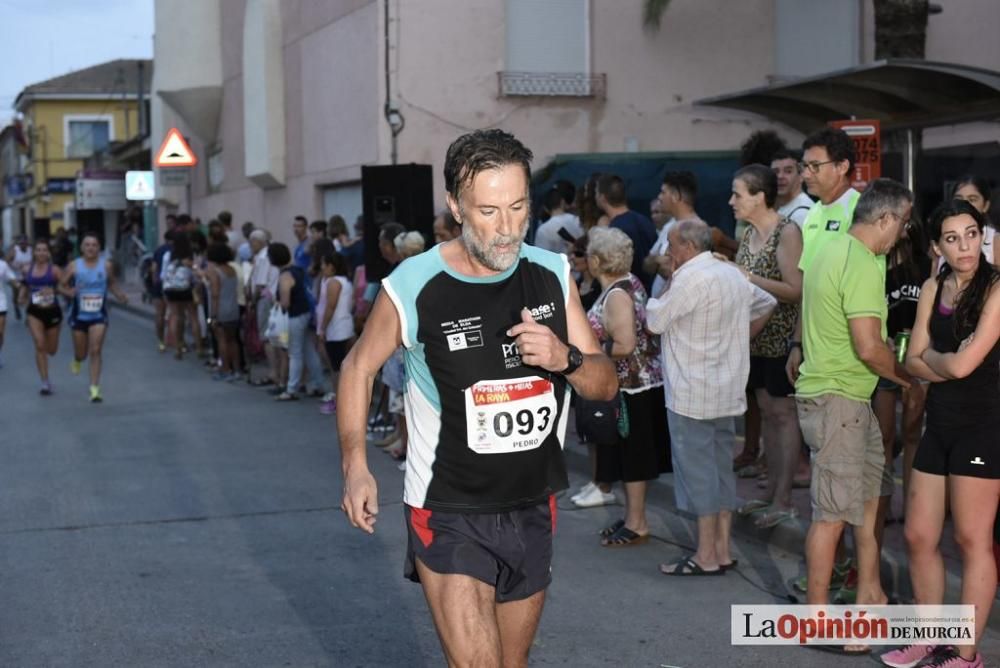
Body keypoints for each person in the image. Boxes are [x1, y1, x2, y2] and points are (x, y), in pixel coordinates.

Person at [338, 129, 617, 668]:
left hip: (532, 503)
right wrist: (355, 464)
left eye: (518, 207)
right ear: (455, 207)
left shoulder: (553, 274)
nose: (508, 228)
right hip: (447, 509)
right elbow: (357, 366)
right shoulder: (413, 284)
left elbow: (605, 384)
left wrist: (566, 359)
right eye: (489, 211)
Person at [789, 179, 913, 651]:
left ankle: (871, 593)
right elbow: (869, 347)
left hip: (842, 399)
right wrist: (907, 379)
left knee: (866, 507)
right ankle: (817, 619)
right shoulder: (862, 261)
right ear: (884, 219)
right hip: (839, 397)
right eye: (902, 223)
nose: (902, 233)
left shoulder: (830, 247)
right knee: (833, 516)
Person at [883, 200, 1000, 668]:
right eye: (952, 238)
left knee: (972, 540)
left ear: (983, 234)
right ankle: (931, 639)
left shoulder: (996, 288)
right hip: (940, 422)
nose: (964, 245)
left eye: (970, 233)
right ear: (937, 246)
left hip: (984, 427)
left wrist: (934, 360)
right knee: (917, 535)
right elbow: (913, 360)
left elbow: (964, 364)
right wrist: (938, 361)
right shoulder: (934, 285)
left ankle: (965, 654)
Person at [647, 220, 777, 576]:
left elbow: (655, 321)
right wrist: (739, 335)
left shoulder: (689, 277)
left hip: (692, 391)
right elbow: (767, 302)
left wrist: (672, 277)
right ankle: (722, 549)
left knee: (699, 474)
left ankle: (706, 554)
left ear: (688, 247)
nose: (667, 253)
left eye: (672, 246)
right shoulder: (729, 273)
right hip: (728, 388)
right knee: (721, 472)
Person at [578, 227, 670, 545]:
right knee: (630, 455)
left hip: (632, 385)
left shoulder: (617, 294)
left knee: (634, 456)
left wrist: (586, 355)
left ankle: (637, 522)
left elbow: (625, 343)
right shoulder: (628, 283)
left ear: (596, 260)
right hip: (637, 382)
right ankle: (633, 517)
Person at [727, 165, 804, 530]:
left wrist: (748, 277)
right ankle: (771, 488)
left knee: (783, 415)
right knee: (766, 412)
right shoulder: (747, 235)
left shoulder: (786, 232)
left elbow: (796, 289)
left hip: (780, 340)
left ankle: (784, 499)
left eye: (738, 194)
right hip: (753, 340)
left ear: (760, 196)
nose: (732, 201)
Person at [873, 209, 931, 521]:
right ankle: (883, 506)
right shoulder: (875, 265)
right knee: (883, 435)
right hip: (884, 356)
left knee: (911, 433)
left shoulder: (926, 267)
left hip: (916, 357)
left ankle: (911, 507)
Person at [60, 233, 129, 402]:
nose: (91, 248)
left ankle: (95, 389)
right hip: (79, 316)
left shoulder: (106, 266)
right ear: (82, 248)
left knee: (95, 350)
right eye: (87, 245)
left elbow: (111, 283)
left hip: (98, 315)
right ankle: (77, 360)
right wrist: (69, 292)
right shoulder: (74, 266)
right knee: (82, 353)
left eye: (94, 245)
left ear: (99, 248)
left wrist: (120, 295)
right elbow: (60, 285)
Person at [795, 127, 862, 274]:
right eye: (804, 166)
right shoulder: (813, 212)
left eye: (815, 166)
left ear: (842, 167)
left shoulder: (861, 210)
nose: (806, 174)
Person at [273, 242, 328, 401]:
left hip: (294, 315)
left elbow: (285, 302)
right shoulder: (298, 269)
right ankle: (319, 384)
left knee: (295, 353)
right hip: (305, 313)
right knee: (309, 351)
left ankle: (291, 389)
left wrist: (277, 304)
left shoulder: (285, 275)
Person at [596, 174, 657, 291]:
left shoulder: (614, 232)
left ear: (602, 198)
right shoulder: (644, 221)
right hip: (649, 291)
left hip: (628, 292)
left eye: (596, 193)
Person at [19, 239, 64, 395]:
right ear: (34, 252)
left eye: (44, 250)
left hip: (52, 312)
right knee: (39, 344)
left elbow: (63, 287)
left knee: (51, 350)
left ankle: (46, 378)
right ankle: (45, 382)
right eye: (38, 250)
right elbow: (25, 285)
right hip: (34, 312)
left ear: (49, 253)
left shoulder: (55, 270)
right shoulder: (27, 269)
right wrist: (21, 296)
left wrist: (54, 291)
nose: (41, 253)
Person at [316, 251, 354, 414]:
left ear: (331, 266)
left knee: (336, 368)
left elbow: (330, 306)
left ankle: (339, 401)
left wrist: (322, 327)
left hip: (336, 330)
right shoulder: (344, 281)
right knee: (341, 366)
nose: (321, 267)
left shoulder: (333, 282)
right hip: (344, 327)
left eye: (324, 264)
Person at [205, 243, 241, 381]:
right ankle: (236, 369)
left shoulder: (215, 272)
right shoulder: (232, 270)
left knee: (221, 340)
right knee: (233, 340)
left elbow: (215, 294)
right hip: (233, 308)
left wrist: (212, 316)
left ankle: (225, 369)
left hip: (221, 309)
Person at [162, 233, 197, 361]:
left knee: (175, 315)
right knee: (193, 316)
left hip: (171, 288)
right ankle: (199, 347)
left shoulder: (169, 255)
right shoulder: (190, 256)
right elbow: (194, 273)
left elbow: (163, 274)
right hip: (185, 288)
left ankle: (178, 347)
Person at [952, 175, 996, 266]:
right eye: (958, 199)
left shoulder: (995, 241)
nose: (965, 204)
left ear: (986, 205)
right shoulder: (942, 239)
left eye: (972, 200)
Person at [771, 149, 814, 228]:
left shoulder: (802, 213)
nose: (780, 176)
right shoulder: (783, 208)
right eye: (775, 172)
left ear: (801, 176)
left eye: (788, 171)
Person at [534, 187, 582, 254]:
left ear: (545, 209)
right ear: (562, 202)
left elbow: (540, 258)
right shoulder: (578, 220)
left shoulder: (543, 230)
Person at [150, 229, 173, 352]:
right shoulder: (177, 250)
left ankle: (161, 341)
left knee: (159, 314)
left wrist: (155, 283)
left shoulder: (159, 250)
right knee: (175, 313)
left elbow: (153, 269)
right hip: (173, 284)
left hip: (159, 284)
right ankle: (178, 342)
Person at [7, 234, 32, 321]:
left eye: (25, 243)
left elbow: (34, 261)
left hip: (27, 276)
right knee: (16, 295)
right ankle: (16, 307)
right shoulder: (14, 250)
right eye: (21, 243)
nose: (23, 245)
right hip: (15, 276)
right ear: (19, 243)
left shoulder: (30, 250)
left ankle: (28, 314)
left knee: (28, 295)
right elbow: (7, 261)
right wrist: (16, 266)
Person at [0, 256, 18, 368]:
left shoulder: (2, 265)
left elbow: (11, 279)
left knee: (0, 333)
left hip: (0, 304)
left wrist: (19, 286)